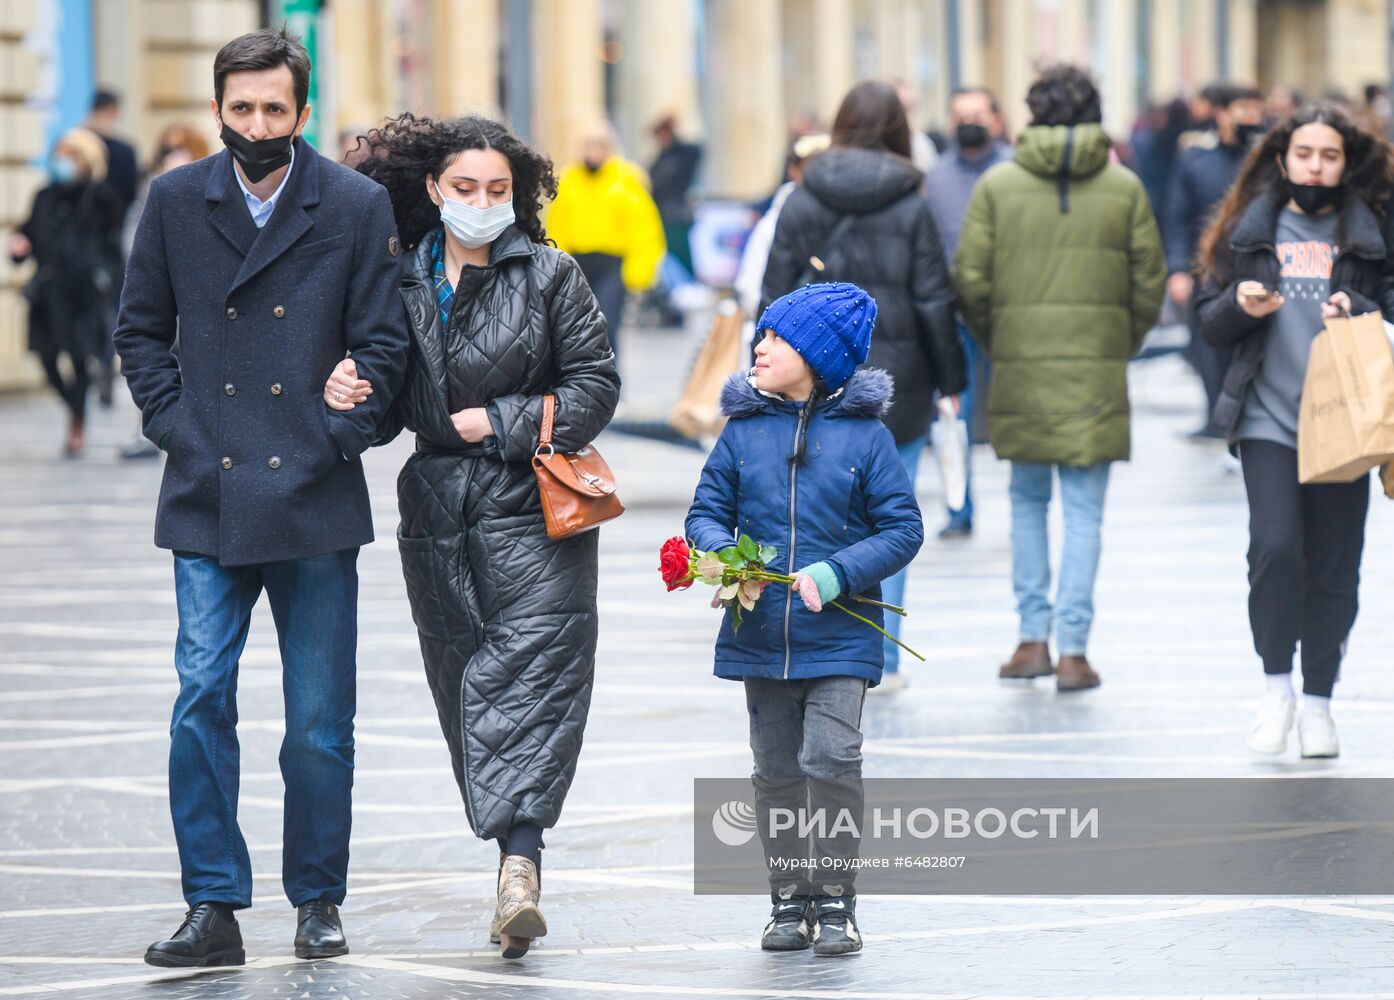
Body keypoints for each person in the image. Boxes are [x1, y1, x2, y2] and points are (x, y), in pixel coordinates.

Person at [115, 27, 410, 968]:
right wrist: (183, 432)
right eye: (240, 108)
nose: (256, 124)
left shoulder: (356, 205)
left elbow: (387, 346)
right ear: (216, 111)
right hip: (209, 488)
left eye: (274, 109)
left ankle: (318, 898)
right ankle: (213, 905)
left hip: (315, 494)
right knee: (200, 696)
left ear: (303, 112)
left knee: (320, 722)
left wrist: (337, 433)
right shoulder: (172, 200)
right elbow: (138, 333)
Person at [323, 112, 620, 960]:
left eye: (498, 190)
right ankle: (511, 858)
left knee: (530, 677)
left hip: (538, 508)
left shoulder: (552, 275)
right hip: (438, 518)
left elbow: (595, 386)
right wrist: (348, 387)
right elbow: (381, 402)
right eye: (465, 188)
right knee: (466, 689)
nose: (482, 203)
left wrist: (501, 420)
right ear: (432, 190)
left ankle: (520, 865)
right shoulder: (398, 282)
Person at [684, 282, 923, 957]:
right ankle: (788, 899)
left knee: (831, 757)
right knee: (777, 769)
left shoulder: (866, 438)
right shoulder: (742, 432)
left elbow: (903, 528)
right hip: (761, 632)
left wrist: (838, 571)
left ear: (816, 355)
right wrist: (725, 555)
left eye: (775, 339)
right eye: (761, 336)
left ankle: (837, 900)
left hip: (842, 631)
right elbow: (705, 510)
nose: (758, 347)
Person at [954, 64, 1165, 691]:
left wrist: (1003, 342)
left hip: (1018, 366)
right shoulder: (1124, 187)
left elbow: (969, 279)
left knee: (1024, 504)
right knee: (1084, 514)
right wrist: (1116, 343)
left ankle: (1031, 639)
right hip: (1096, 373)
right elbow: (1149, 282)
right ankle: (1074, 650)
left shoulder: (997, 185)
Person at [1193, 103, 1394, 758]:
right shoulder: (1250, 230)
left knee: (1335, 567)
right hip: (1267, 419)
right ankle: (1275, 685)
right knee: (1277, 551)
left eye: (1329, 156)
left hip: (1344, 423)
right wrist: (1240, 305)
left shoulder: (1370, 232)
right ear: (1282, 161)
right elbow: (1209, 323)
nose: (1315, 166)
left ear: (1345, 163)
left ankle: (1318, 702)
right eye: (1304, 154)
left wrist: (1360, 308)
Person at [761, 79, 964, 692]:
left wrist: (768, 364)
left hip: (811, 379)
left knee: (812, 506)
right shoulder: (912, 201)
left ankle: (820, 646)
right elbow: (934, 299)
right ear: (900, 131)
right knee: (889, 514)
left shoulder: (802, 197)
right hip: (898, 382)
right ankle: (881, 656)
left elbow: (773, 293)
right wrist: (951, 378)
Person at [923, 85, 1012, 539]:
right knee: (953, 418)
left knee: (1015, 412)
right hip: (954, 319)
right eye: (960, 114)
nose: (968, 121)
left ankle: (1024, 507)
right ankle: (960, 508)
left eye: (977, 113)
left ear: (997, 119)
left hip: (1010, 316)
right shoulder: (935, 178)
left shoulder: (1016, 170)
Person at [8, 127, 123, 456]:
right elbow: (27, 236)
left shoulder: (102, 197)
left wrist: (106, 277)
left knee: (77, 355)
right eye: (59, 153)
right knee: (45, 357)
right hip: (48, 290)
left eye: (70, 154)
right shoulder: (44, 195)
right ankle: (75, 406)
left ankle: (77, 420)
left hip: (83, 292)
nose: (62, 161)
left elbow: (113, 247)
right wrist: (19, 248)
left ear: (85, 158)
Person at [1164, 83, 1266, 437]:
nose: (1252, 116)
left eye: (1256, 108)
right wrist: (1177, 269)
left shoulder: (1268, 161)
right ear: (1221, 113)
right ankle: (1216, 417)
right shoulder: (1195, 161)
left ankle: (1245, 417)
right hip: (1208, 271)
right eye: (1244, 108)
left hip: (1258, 270)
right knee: (1206, 347)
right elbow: (1177, 219)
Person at [119, 124, 211, 460]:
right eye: (167, 149)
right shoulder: (156, 188)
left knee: (191, 358)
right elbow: (134, 231)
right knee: (152, 354)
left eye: (180, 148)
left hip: (196, 293)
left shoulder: (208, 187)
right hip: (158, 286)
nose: (173, 155)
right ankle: (148, 428)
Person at [547, 123, 665, 367]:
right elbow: (557, 225)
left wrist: (639, 273)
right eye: (588, 145)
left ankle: (611, 380)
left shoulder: (626, 180)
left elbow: (645, 228)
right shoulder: (569, 181)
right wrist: (554, 265)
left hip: (612, 264)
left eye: (599, 145)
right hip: (577, 263)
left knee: (606, 320)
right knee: (575, 325)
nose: (593, 151)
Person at [648, 113, 702, 277]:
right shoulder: (662, 158)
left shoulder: (678, 156)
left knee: (681, 260)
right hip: (664, 216)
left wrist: (671, 131)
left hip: (675, 216)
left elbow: (695, 150)